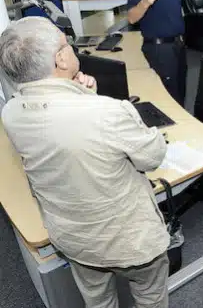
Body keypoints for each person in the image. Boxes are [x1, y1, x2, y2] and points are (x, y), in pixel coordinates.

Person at [0, 17, 170, 308]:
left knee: (98, 302)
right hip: (131, 242)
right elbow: (152, 156)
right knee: (150, 297)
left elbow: (63, 134)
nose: (71, 48)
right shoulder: (108, 112)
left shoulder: (11, 113)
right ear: (60, 60)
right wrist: (99, 103)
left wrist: (82, 95)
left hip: (74, 239)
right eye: (66, 44)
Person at [127, 0, 186, 106]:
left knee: (180, 93)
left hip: (178, 46)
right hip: (160, 50)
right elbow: (131, 18)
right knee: (168, 99)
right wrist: (145, 3)